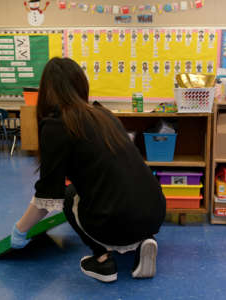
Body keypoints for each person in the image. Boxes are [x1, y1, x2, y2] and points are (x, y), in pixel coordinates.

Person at [10, 57, 166, 283]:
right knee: (119, 196)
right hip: (155, 211)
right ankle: (143, 242)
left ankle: (103, 261)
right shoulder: (104, 114)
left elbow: (48, 196)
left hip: (115, 219)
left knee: (68, 196)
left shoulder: (56, 126)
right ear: (81, 84)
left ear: (46, 91)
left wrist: (20, 230)